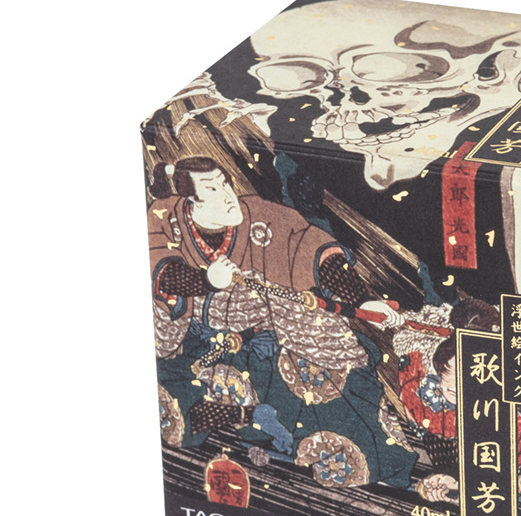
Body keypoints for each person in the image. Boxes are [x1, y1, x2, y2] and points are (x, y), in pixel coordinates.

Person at [148, 156, 417, 487]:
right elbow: (161, 272)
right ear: (192, 198)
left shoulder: (259, 214)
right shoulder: (164, 217)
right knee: (176, 404)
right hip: (199, 342)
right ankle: (248, 417)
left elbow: (309, 247)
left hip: (269, 332)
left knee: (327, 381)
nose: (228, 195)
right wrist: (206, 280)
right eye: (213, 189)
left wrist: (362, 300)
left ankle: (377, 462)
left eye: (225, 183)